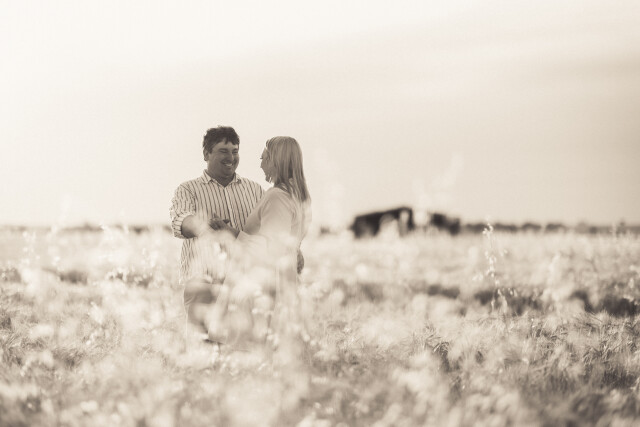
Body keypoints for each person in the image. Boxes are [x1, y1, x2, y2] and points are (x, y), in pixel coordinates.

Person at [206, 136, 311, 348]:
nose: (261, 164)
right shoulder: (299, 197)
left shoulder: (277, 197)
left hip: (261, 287)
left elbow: (271, 249)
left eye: (263, 158)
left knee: (248, 352)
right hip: (282, 283)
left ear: (275, 161)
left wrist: (231, 233)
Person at [169, 126, 264, 339]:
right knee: (202, 349)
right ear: (206, 154)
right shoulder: (188, 189)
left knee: (242, 350)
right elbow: (180, 221)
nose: (231, 157)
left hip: (244, 286)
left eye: (235, 151)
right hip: (203, 284)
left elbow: (266, 233)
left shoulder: (255, 190)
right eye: (223, 151)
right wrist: (204, 227)